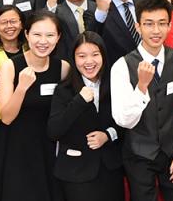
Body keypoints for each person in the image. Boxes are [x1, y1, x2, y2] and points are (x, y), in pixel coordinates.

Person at [110, 0, 173, 201]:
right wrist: (142, 87)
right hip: (139, 155)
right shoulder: (122, 66)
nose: (156, 30)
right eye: (149, 24)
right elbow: (124, 120)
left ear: (170, 26)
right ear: (138, 26)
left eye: (162, 23)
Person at [0, 11, 70, 201]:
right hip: (17, 149)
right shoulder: (10, 67)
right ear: (26, 34)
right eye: (37, 34)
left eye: (50, 35)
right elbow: (6, 117)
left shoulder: (63, 68)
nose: (43, 41)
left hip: (50, 150)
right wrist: (21, 87)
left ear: (58, 37)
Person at [50, 31, 126, 201]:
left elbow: (128, 122)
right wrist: (79, 101)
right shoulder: (64, 90)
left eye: (95, 55)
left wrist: (108, 135)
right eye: (82, 56)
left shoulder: (116, 84)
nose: (89, 61)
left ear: (103, 56)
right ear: (74, 59)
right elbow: (54, 130)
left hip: (110, 169)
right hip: (76, 172)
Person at [0, 6, 25, 130]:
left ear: (21, 24)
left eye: (13, 21)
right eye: (3, 23)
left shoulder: (31, 49)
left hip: (27, 115)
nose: (9, 26)